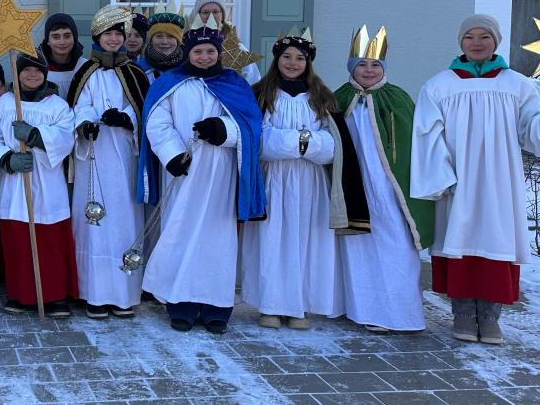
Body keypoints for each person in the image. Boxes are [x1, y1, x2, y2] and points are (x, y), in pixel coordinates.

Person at [411, 14, 540, 345]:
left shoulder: (516, 84)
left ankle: (490, 316)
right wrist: (441, 176)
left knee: (497, 240)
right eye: (470, 36)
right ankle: (464, 314)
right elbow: (427, 133)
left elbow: (531, 128)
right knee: (460, 240)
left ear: (496, 41)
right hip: (458, 181)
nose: (477, 42)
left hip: (501, 182)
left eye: (485, 36)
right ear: (461, 42)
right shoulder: (440, 84)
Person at [138, 25, 265, 334]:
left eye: (211, 52)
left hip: (221, 174)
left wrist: (224, 130)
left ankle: (215, 306)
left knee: (217, 238)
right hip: (183, 171)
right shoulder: (171, 84)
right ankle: (179, 302)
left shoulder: (235, 83)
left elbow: (251, 126)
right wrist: (171, 154)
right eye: (198, 51)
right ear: (187, 53)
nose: (205, 57)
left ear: (219, 53)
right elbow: (156, 121)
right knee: (178, 232)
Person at [240, 32, 368, 330]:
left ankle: (299, 305)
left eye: (300, 58)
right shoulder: (261, 93)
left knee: (305, 240)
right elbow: (257, 137)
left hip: (309, 182)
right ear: (277, 60)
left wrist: (305, 145)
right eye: (286, 57)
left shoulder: (322, 97)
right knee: (272, 239)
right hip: (273, 178)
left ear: (308, 62)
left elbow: (335, 142)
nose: (293, 63)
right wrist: (299, 141)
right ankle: (270, 304)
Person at [335, 26, 434, 333]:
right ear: (352, 67)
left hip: (391, 187)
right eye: (362, 64)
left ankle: (400, 314)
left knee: (395, 244)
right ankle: (361, 309)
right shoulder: (339, 97)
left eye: (375, 65)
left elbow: (416, 143)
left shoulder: (398, 98)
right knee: (358, 245)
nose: (368, 70)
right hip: (354, 184)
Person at [0, 51, 78, 317]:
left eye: (38, 71)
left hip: (48, 182)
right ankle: (21, 294)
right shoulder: (5, 103)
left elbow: (67, 137)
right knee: (19, 242)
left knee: (51, 242)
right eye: (26, 71)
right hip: (15, 183)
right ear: (17, 73)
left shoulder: (57, 105)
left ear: (45, 74)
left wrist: (35, 135)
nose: (32, 75)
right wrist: (8, 159)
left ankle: (54, 296)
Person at [66, 5, 150, 318]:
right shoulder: (84, 72)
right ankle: (95, 294)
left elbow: (145, 112)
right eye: (108, 33)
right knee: (93, 226)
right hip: (94, 156)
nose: (114, 39)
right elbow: (78, 105)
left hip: (125, 160)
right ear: (97, 36)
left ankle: (124, 294)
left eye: (119, 33)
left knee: (124, 222)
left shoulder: (136, 74)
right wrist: (85, 123)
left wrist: (128, 118)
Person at [191, 0, 261, 84]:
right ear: (198, 15)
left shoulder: (235, 47)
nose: (211, 16)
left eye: (215, 12)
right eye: (205, 12)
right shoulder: (189, 43)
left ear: (222, 15)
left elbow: (253, 79)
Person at [39, 13, 87, 99]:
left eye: (67, 36)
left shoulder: (85, 67)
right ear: (48, 41)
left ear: (74, 38)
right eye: (56, 37)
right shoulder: (38, 67)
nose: (62, 42)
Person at [137, 10, 186, 83]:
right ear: (151, 40)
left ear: (178, 41)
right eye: (159, 36)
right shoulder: (138, 69)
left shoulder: (188, 68)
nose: (164, 42)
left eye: (171, 36)